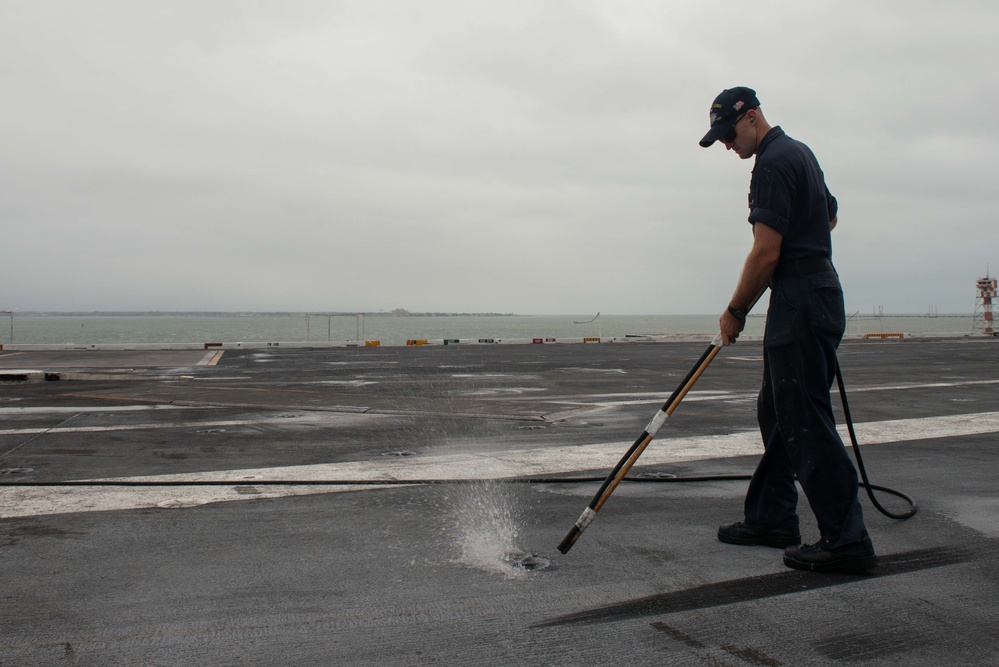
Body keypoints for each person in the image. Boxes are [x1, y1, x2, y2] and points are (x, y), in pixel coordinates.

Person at [699, 86, 877, 573]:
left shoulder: (774, 163)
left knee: (804, 419)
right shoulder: (800, 153)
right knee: (777, 409)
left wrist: (735, 310)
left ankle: (846, 539)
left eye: (729, 134)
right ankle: (773, 517)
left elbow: (765, 253)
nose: (727, 146)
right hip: (811, 290)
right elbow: (830, 212)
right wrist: (808, 245)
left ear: (752, 117)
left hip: (800, 297)